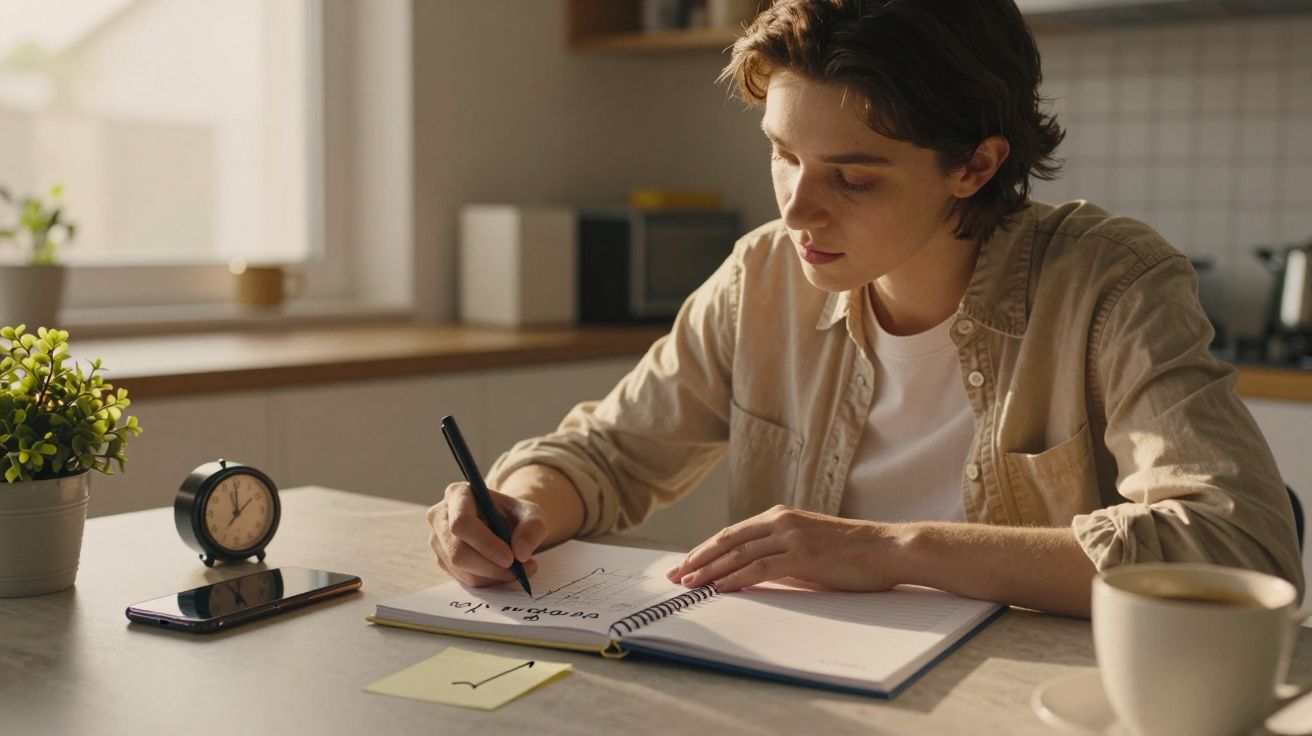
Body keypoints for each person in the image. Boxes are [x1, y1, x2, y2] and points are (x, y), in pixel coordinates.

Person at [426, 0, 1303, 618]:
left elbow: (1240, 547)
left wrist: (892, 551)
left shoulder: (1110, 284)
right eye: (781, 154)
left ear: (975, 166)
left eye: (851, 175)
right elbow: (607, 454)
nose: (796, 209)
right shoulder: (763, 275)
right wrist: (518, 505)